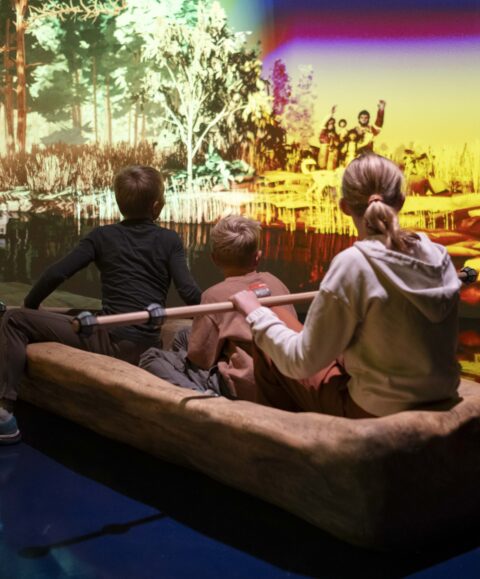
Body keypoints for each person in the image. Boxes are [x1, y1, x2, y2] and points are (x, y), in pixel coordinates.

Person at [231, 154, 461, 419]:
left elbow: (300, 362)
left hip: (375, 408)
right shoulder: (438, 255)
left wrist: (254, 313)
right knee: (279, 315)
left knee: (267, 337)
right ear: (401, 200)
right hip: (440, 392)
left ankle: (281, 435)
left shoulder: (354, 263)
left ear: (344, 206)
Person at [0, 165, 201, 444]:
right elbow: (189, 292)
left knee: (13, 319)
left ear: (119, 203)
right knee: (79, 314)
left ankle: (4, 414)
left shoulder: (102, 236)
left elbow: (57, 273)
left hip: (112, 341)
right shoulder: (170, 239)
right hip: (147, 341)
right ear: (157, 206)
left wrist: (29, 305)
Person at [139, 215, 295, 402]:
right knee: (182, 336)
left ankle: (202, 395)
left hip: (245, 386)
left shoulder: (214, 296)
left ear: (214, 259)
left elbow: (201, 359)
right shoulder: (276, 282)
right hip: (285, 382)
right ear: (257, 257)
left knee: (150, 357)